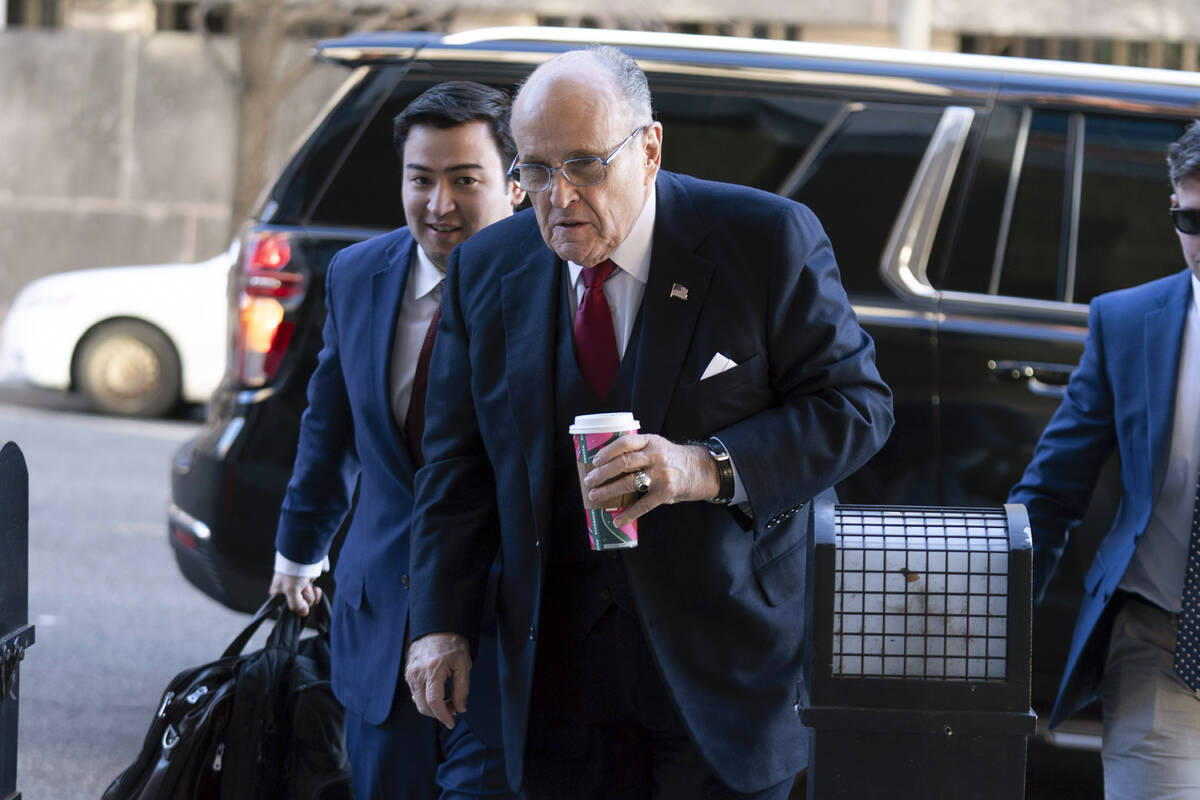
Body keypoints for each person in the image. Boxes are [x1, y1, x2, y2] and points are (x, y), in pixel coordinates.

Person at [404, 48, 893, 799]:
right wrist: (440, 621)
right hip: (555, 665)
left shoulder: (764, 240)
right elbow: (455, 466)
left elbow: (857, 407)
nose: (558, 196)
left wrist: (707, 467)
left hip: (721, 661)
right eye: (533, 170)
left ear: (651, 149)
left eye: (585, 166)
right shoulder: (489, 268)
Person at [268, 81, 524, 800]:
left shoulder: (553, 287)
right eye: (422, 180)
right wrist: (298, 551)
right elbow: (329, 427)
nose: (440, 205)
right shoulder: (357, 274)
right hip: (380, 619)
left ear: (514, 185)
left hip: (502, 631)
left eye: (464, 180)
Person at [1009, 119, 1200, 799]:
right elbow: (1053, 491)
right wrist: (988, 621)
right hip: (1161, 637)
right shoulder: (1127, 321)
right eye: (1195, 218)